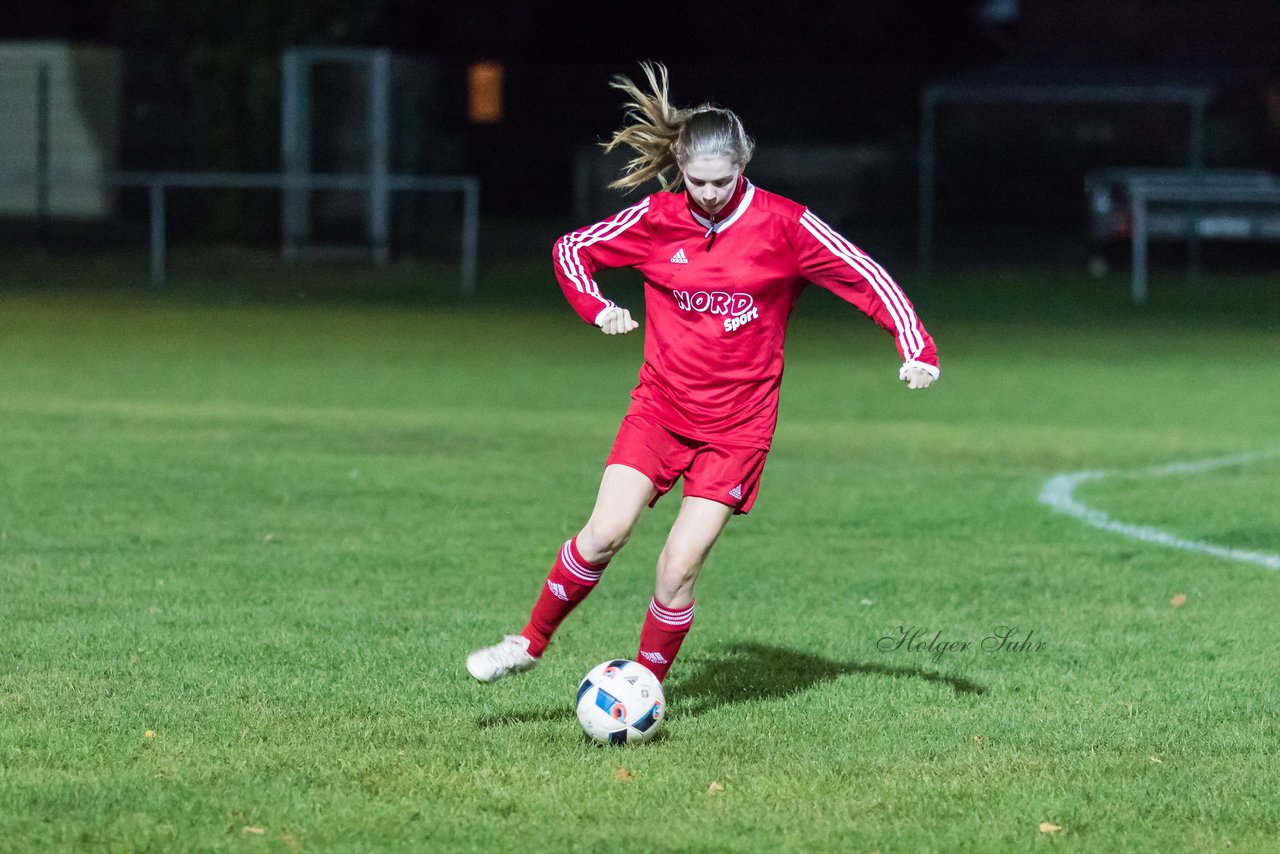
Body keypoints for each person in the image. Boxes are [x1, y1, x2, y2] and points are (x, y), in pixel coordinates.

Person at [466, 62, 938, 686]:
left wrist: (916, 347)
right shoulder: (657, 219)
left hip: (738, 428)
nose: (709, 193)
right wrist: (598, 307)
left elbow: (864, 274)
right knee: (605, 532)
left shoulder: (785, 226)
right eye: (697, 181)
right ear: (680, 168)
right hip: (661, 408)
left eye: (722, 181)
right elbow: (571, 250)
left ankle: (642, 688)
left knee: (677, 567)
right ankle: (527, 643)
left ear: (743, 164)